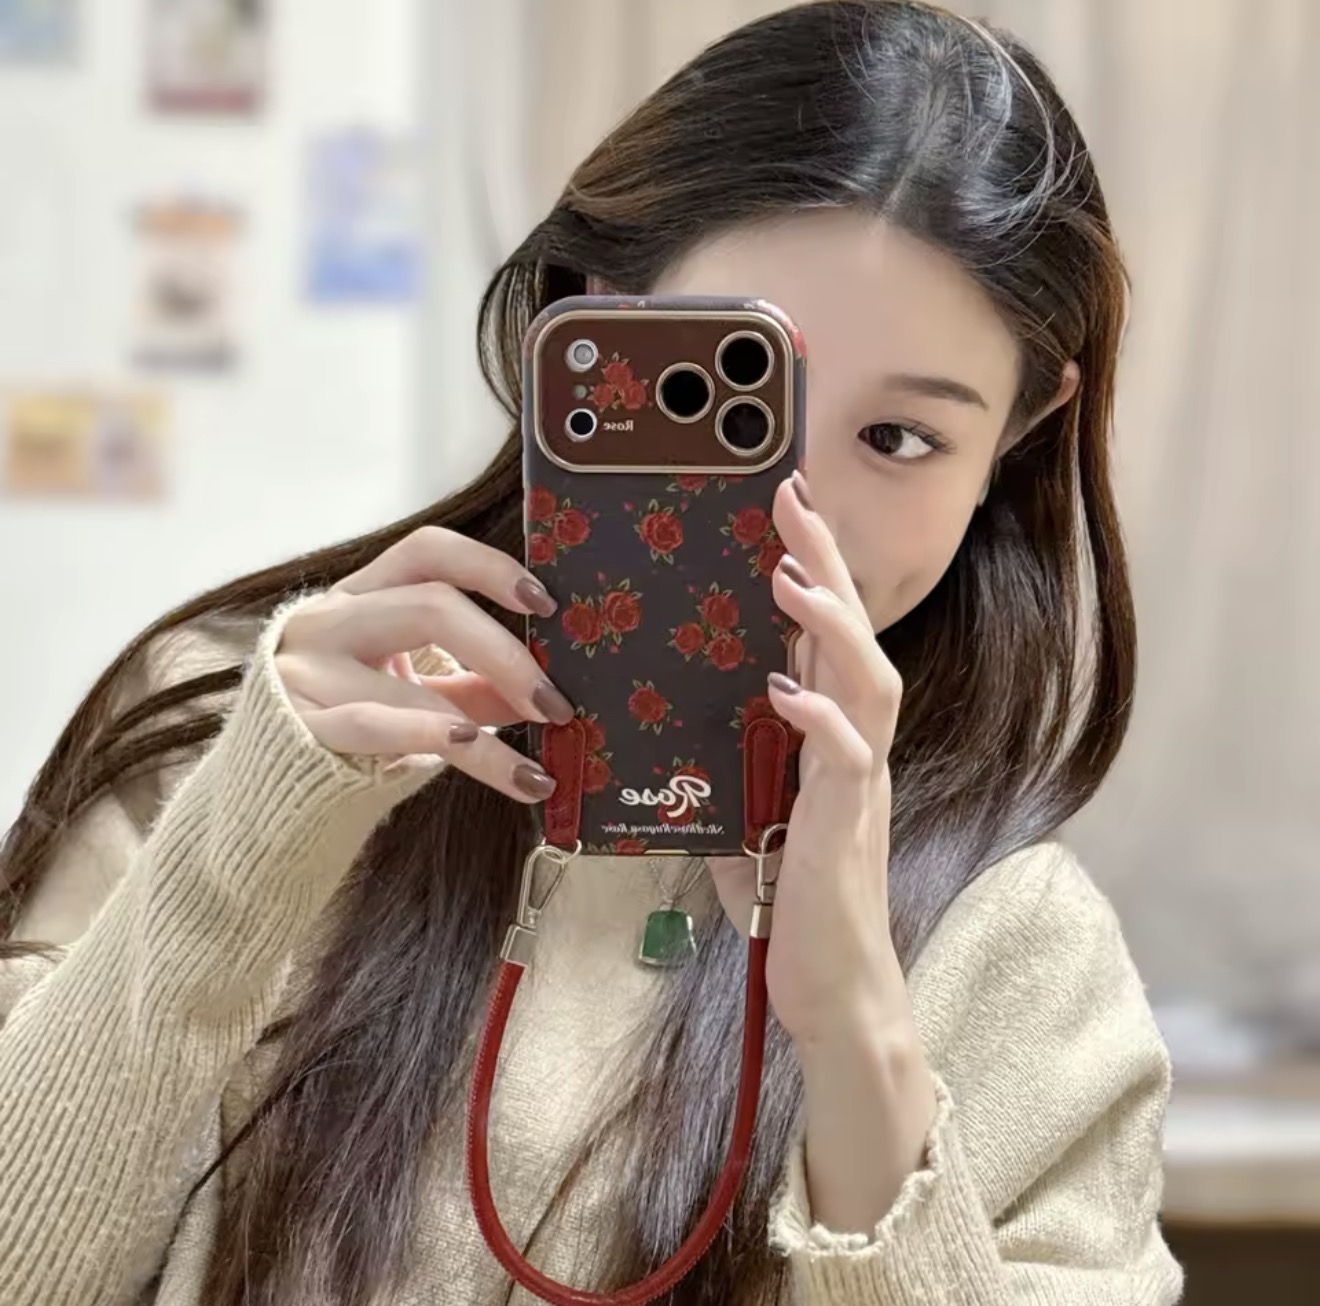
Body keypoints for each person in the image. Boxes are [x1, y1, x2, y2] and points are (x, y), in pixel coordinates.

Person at [0, 3, 1184, 1304]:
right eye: (722, 397)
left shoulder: (1021, 951)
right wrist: (242, 850)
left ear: (1018, 434)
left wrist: (859, 1034)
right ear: (592, 325)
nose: (790, 510)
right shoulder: (231, 730)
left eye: (900, 439)